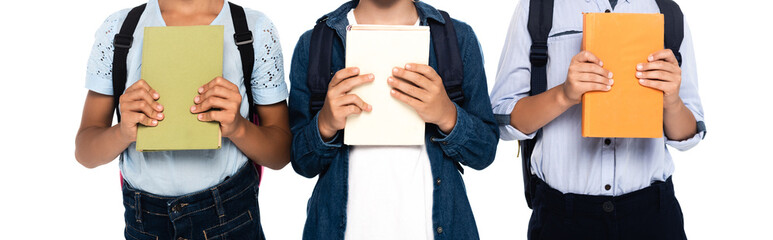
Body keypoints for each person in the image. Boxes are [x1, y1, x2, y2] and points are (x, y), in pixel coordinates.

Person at [74, 0, 291, 239]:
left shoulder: (253, 29)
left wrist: (238, 127)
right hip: (145, 220)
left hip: (231, 215)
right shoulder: (120, 29)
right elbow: (85, 152)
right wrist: (123, 131)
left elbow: (280, 154)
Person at [491, 0, 705, 239]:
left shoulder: (668, 12)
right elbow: (502, 119)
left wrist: (672, 102)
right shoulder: (537, 9)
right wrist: (563, 95)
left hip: (652, 214)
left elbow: (689, 134)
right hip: (562, 218)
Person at [287, 0, 499, 239]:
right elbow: (301, 162)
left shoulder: (457, 39)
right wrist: (324, 125)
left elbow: (484, 152)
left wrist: (448, 115)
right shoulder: (314, 43)